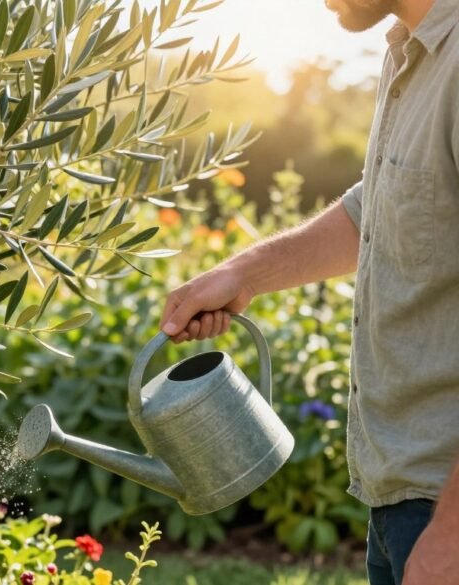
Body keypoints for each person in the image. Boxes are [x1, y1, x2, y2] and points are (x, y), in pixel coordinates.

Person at [159, 0, 459, 583]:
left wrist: (450, 541)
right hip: (406, 498)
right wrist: (245, 273)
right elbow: (381, 206)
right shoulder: (412, 54)